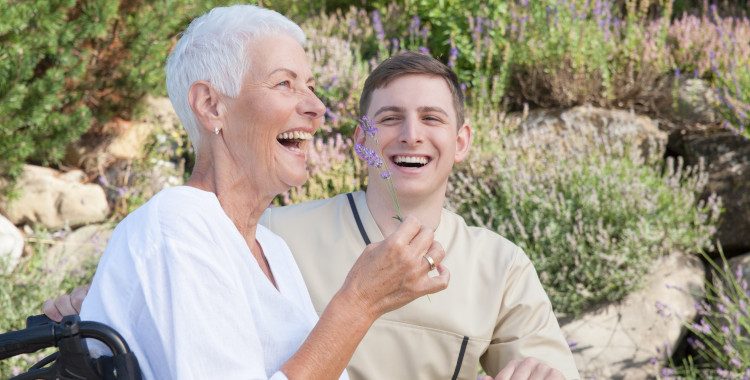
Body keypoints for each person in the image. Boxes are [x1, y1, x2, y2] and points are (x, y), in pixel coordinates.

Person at [46, 52, 580, 379]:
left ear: (460, 142)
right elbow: (154, 287)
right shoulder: (273, 237)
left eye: (432, 119)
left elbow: (550, 371)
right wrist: (87, 304)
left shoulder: (502, 267)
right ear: (360, 140)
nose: (412, 135)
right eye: (390, 118)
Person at [67, 6, 449, 380]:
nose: (318, 108)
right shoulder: (177, 227)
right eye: (285, 83)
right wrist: (359, 303)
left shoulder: (272, 250)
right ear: (211, 105)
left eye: (312, 88)